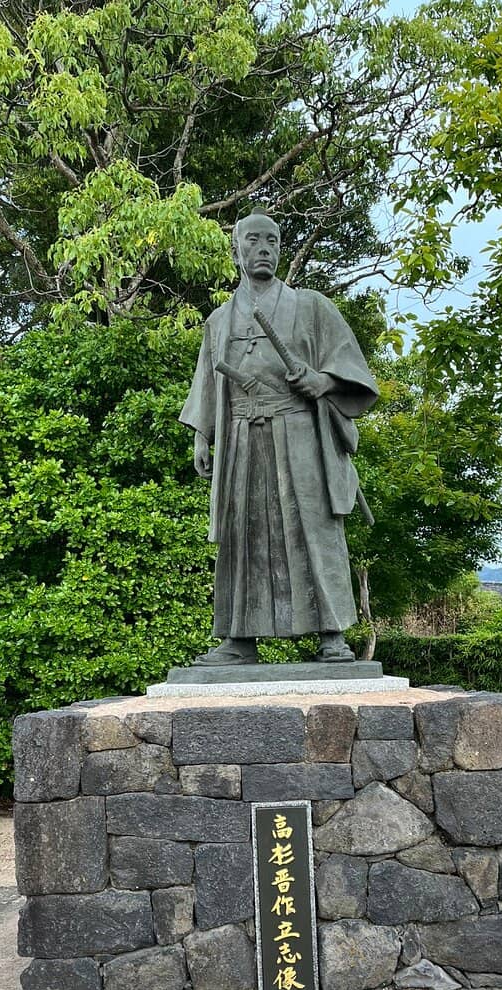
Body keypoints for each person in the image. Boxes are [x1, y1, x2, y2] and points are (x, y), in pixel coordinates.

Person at [180, 209, 378, 665]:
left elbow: (351, 370)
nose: (263, 248)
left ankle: (331, 636)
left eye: (271, 240)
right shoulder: (219, 320)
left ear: (280, 248)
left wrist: (324, 382)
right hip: (241, 438)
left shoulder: (311, 307)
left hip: (299, 433)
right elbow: (209, 384)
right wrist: (201, 437)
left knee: (313, 526)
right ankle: (237, 638)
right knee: (242, 533)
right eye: (252, 241)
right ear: (237, 250)